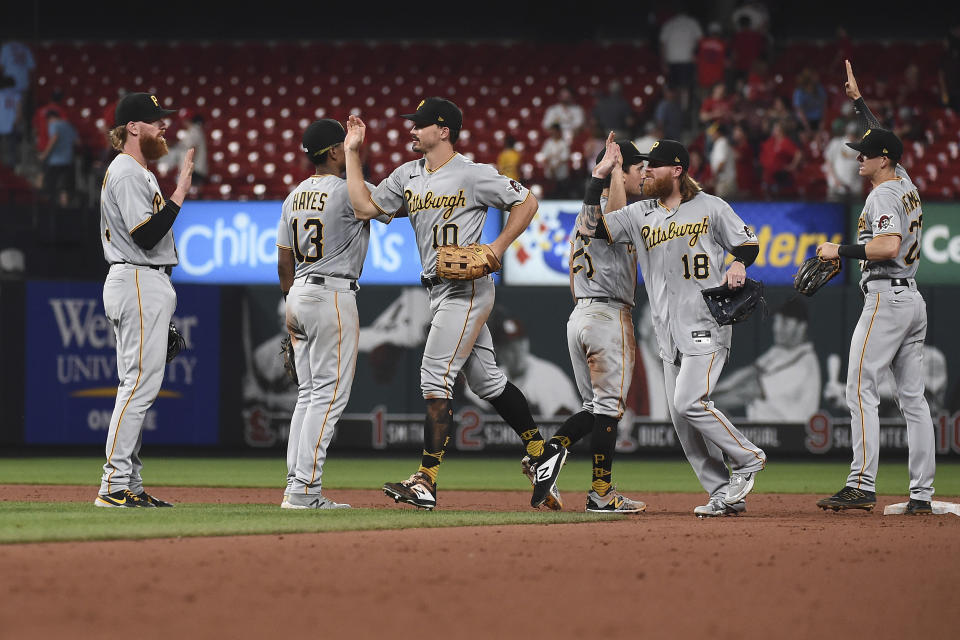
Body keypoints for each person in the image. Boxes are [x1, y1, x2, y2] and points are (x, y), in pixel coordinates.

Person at [343, 97, 553, 511]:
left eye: (419, 125)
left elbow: (527, 202)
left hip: (468, 287)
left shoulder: (473, 174)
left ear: (443, 130)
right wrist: (353, 152)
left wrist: (496, 246)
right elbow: (363, 206)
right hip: (438, 289)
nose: (411, 130)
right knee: (487, 382)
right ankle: (541, 455)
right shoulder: (407, 175)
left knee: (433, 378)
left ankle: (426, 480)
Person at [576, 135, 767, 518]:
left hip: (705, 324)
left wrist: (738, 263)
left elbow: (748, 243)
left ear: (676, 171)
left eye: (654, 166)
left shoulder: (710, 207)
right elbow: (594, 227)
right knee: (682, 422)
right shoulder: (640, 213)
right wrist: (599, 177)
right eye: (643, 166)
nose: (646, 171)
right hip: (666, 334)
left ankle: (748, 458)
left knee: (689, 402)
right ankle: (722, 493)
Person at [815, 61, 936, 516]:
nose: (857, 157)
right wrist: (859, 102)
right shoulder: (904, 182)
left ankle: (861, 484)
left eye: (864, 153)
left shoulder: (883, 195)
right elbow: (885, 139)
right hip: (913, 300)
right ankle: (920, 494)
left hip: (886, 296)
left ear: (883, 159)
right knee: (912, 400)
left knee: (859, 386)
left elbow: (886, 246)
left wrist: (839, 250)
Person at [277, 119, 387, 510]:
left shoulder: (294, 196)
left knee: (308, 395)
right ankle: (305, 490)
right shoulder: (347, 192)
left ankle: (296, 483)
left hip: (299, 295)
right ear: (336, 151)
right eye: (344, 145)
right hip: (333, 295)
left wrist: (294, 305)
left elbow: (283, 260)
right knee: (328, 397)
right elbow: (386, 208)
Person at [532, 138, 648, 513]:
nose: (643, 173)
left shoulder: (584, 217)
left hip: (580, 313)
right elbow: (615, 216)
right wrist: (613, 170)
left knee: (593, 407)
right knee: (610, 409)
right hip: (608, 315)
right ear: (619, 171)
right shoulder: (609, 212)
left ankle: (548, 453)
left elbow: (572, 271)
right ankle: (601, 493)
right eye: (636, 168)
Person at [95, 92, 193, 508]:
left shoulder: (139, 171)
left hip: (141, 279)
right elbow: (146, 235)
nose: (163, 127)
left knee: (136, 385)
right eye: (155, 121)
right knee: (137, 386)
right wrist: (182, 189)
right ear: (133, 127)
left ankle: (129, 483)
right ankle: (114, 485)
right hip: (137, 277)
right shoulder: (128, 172)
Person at [712, 297, 821, 422]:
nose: (777, 328)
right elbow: (747, 373)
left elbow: (750, 391)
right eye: (777, 321)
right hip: (767, 433)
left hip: (790, 436)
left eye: (784, 322)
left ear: (801, 327)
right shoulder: (780, 351)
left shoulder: (805, 364)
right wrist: (708, 393)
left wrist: (703, 404)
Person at [461, 308, 580, 418]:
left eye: (520, 344)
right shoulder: (497, 375)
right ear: (498, 352)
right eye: (510, 348)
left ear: (527, 343)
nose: (518, 353)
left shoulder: (549, 377)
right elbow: (470, 395)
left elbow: (562, 423)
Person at [38, 109, 77, 206]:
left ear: (50, 118)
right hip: (68, 160)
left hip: (55, 161)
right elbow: (77, 141)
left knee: (50, 186)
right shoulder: (68, 125)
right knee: (65, 187)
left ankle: (48, 208)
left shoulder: (54, 125)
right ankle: (65, 209)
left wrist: (45, 154)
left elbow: (54, 138)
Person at [823, 121, 863, 202]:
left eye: (855, 133)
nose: (852, 135)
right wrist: (835, 180)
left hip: (854, 189)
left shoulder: (862, 147)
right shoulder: (836, 143)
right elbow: (828, 163)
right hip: (836, 188)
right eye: (851, 133)